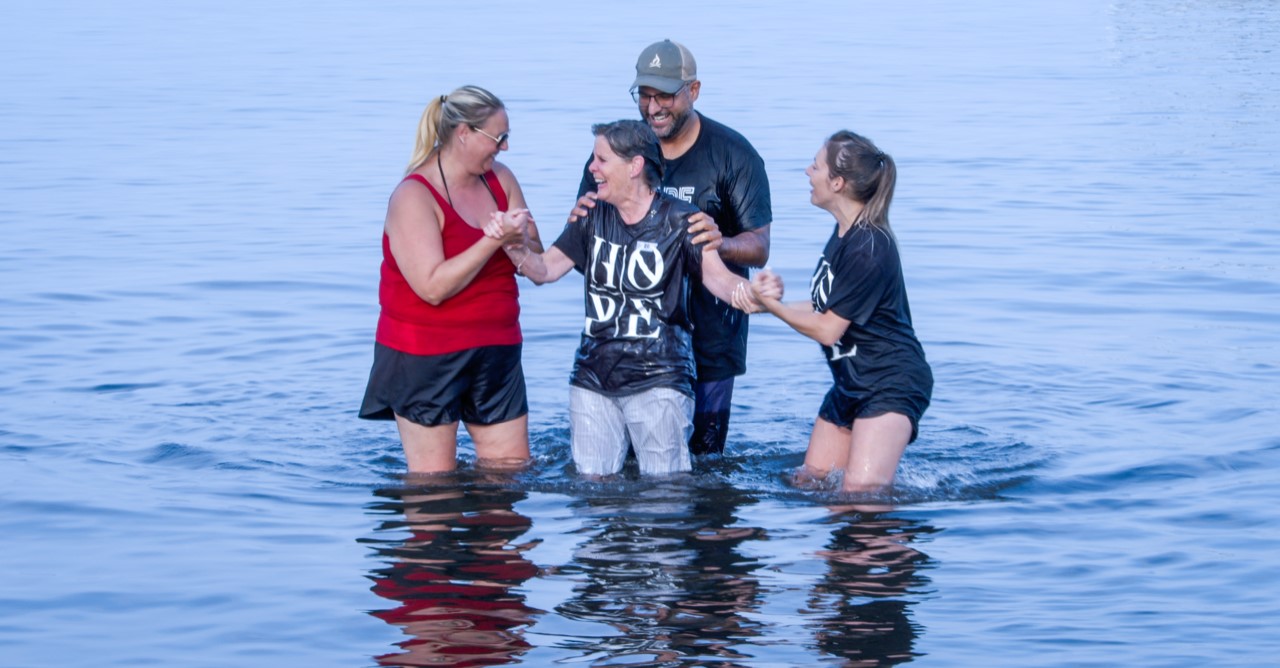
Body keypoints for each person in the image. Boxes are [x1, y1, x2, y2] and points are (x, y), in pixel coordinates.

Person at [487, 120, 773, 477]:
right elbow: (544, 271)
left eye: (601, 160)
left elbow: (724, 284)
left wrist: (758, 297)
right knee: (594, 491)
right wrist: (510, 245)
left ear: (634, 166)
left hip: (661, 380)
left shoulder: (682, 221)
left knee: (664, 494)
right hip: (592, 379)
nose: (592, 168)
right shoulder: (590, 215)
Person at [572, 39, 772, 457]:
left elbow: (759, 246)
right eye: (644, 95)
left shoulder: (733, 154)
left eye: (664, 94)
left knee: (706, 463)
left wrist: (723, 242)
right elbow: (588, 248)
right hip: (635, 346)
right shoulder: (617, 153)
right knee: (621, 471)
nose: (652, 107)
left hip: (713, 336)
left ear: (693, 91)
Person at [359, 85, 543, 474]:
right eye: (499, 137)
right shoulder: (414, 196)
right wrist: (493, 240)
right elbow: (433, 287)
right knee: (434, 487)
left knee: (510, 475)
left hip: (497, 351)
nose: (505, 148)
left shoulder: (500, 180)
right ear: (464, 133)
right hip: (425, 356)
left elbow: (536, 254)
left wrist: (516, 239)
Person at [750, 131, 932, 493]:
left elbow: (828, 329)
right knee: (809, 483)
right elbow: (826, 307)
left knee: (860, 498)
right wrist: (764, 306)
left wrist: (775, 308)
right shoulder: (845, 233)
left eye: (815, 166)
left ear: (837, 182)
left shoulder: (869, 247)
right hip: (851, 383)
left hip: (889, 384)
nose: (807, 172)